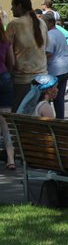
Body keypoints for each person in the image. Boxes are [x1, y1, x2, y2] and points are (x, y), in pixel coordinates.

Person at [6, 0, 48, 112]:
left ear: (19, 6)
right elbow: (46, 47)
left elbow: (7, 53)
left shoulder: (14, 25)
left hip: (22, 79)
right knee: (39, 116)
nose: (11, 9)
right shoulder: (42, 23)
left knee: (19, 117)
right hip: (43, 78)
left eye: (12, 5)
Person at [42, 13, 68, 119]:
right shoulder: (59, 32)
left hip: (56, 69)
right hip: (66, 68)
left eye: (44, 22)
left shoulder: (50, 35)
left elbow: (48, 53)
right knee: (59, 98)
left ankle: (48, 119)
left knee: (47, 97)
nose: (42, 24)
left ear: (50, 22)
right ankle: (60, 119)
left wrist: (40, 62)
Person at [0, 17, 16, 167]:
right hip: (4, 79)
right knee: (5, 123)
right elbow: (11, 63)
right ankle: (11, 159)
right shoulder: (5, 42)